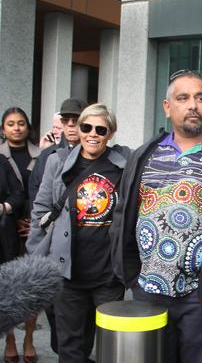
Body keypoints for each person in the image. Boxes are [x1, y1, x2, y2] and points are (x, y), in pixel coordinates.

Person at [110, 69, 202, 363]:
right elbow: (122, 215)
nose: (192, 105)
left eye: (200, 98)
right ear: (168, 107)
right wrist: (130, 275)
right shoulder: (143, 155)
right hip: (148, 292)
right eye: (183, 98)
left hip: (201, 297)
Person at [27, 103, 130, 363]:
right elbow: (40, 210)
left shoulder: (125, 164)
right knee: (70, 347)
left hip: (108, 275)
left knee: (110, 345)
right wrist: (37, 257)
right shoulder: (58, 161)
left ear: (111, 132)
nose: (92, 134)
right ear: (79, 129)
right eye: (86, 127)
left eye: (100, 129)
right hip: (67, 274)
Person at [28, 98, 88, 358]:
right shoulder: (49, 156)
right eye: (67, 120)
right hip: (55, 247)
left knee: (81, 319)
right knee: (55, 312)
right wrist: (35, 244)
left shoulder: (102, 154)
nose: (72, 125)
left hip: (89, 250)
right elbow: (37, 200)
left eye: (77, 120)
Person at [0, 107, 41, 363]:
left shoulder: (41, 154)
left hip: (33, 225)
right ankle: (11, 340)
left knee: (31, 285)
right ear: (3, 129)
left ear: (28, 126)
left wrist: (34, 222)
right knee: (8, 286)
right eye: (10, 124)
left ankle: (29, 337)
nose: (16, 128)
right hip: (6, 229)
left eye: (21, 123)